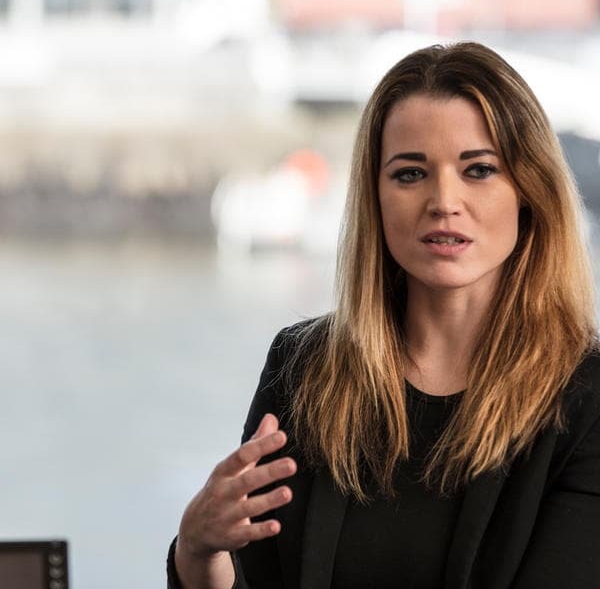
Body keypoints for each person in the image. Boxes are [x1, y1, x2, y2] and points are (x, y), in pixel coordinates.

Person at [167, 42, 600, 589]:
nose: (444, 200)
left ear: (528, 192)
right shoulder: (303, 368)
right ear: (375, 195)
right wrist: (198, 551)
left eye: (479, 169)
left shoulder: (588, 397)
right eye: (410, 173)